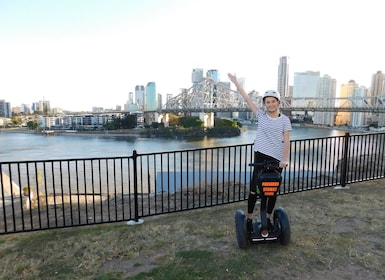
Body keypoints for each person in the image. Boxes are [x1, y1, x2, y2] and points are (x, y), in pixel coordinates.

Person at [228, 73, 292, 233]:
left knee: (272, 191)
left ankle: (268, 217)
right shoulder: (261, 116)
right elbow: (247, 99)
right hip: (260, 157)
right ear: (265, 104)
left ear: (278, 103)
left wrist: (284, 159)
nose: (270, 104)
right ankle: (249, 218)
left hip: (277, 159)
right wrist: (236, 82)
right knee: (254, 190)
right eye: (267, 102)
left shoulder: (285, 120)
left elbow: (287, 141)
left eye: (273, 101)